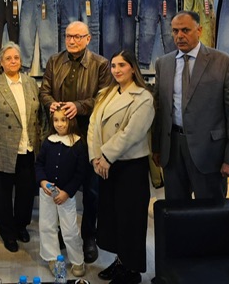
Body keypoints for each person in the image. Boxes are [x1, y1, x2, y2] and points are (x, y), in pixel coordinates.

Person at [152, 10, 229, 201]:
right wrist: (157, 147)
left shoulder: (224, 63)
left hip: (209, 151)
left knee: (210, 211)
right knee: (177, 210)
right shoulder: (163, 64)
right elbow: (159, 108)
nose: (179, 36)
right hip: (172, 149)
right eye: (175, 31)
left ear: (199, 30)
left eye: (185, 30)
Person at [39, 20, 112, 263]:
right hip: (60, 136)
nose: (72, 40)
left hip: (89, 137)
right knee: (60, 186)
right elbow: (44, 91)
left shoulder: (100, 64)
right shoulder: (54, 61)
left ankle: (89, 237)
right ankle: (62, 232)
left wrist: (78, 107)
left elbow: (103, 98)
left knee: (91, 191)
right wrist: (52, 104)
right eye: (69, 36)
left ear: (88, 39)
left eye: (78, 36)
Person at [88, 50, 155, 284]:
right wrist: (96, 157)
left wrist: (106, 156)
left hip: (130, 167)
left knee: (130, 220)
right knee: (112, 218)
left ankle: (131, 270)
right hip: (106, 165)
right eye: (114, 65)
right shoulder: (106, 94)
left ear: (133, 68)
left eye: (122, 65)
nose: (116, 70)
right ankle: (120, 262)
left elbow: (132, 133)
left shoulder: (143, 97)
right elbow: (93, 126)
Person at [0, 42, 42, 253]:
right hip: (1, 150)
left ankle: (21, 226)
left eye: (16, 58)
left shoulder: (30, 83)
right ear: (1, 63)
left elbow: (39, 117)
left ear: (21, 61)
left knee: (26, 194)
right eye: (8, 58)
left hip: (28, 149)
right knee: (2, 196)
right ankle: (7, 233)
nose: (13, 61)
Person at [36, 106, 87, 278]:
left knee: (70, 229)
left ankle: (77, 259)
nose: (59, 124)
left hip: (66, 195)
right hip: (47, 193)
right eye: (56, 120)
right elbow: (39, 164)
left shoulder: (78, 144)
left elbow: (80, 173)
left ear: (70, 120)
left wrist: (67, 192)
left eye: (63, 120)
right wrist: (43, 181)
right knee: (47, 225)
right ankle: (52, 258)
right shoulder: (48, 141)